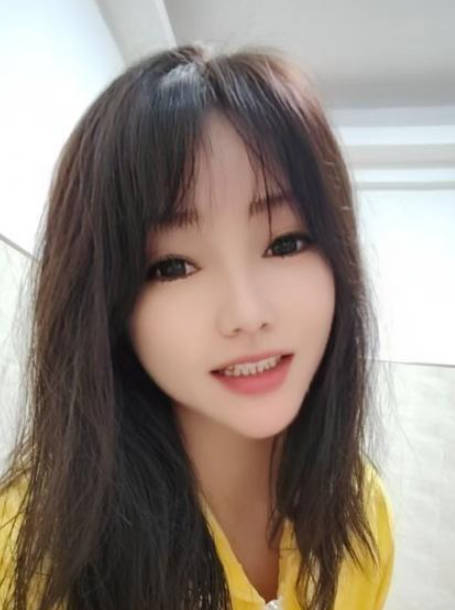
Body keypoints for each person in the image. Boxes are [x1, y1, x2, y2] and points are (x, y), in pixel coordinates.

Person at [0, 43, 394, 610]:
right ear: (107, 304)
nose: (247, 314)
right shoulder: (30, 546)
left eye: (286, 243)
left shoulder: (359, 508)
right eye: (173, 267)